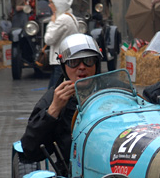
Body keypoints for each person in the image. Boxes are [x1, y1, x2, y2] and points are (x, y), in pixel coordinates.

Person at [20, 33, 102, 167]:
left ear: (96, 63)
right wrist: (53, 110)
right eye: (74, 62)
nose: (82, 67)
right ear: (64, 66)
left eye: (88, 60)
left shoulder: (114, 90)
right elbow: (30, 150)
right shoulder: (53, 98)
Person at [44, 0, 81, 72]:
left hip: (60, 61)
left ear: (58, 3)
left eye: (51, 2)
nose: (49, 5)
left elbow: (48, 40)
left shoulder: (62, 19)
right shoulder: (70, 16)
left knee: (57, 85)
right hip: (66, 59)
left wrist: (52, 22)